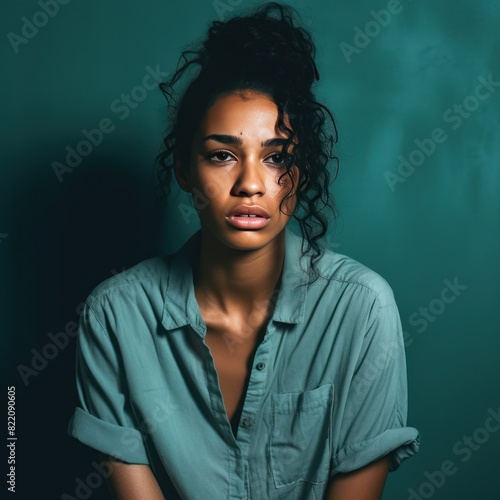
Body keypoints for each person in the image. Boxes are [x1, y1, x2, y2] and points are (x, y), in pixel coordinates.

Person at [68, 3, 419, 499]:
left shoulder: (361, 308)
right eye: (222, 155)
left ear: (299, 175)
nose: (251, 183)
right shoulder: (115, 316)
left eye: (276, 157)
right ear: (186, 170)